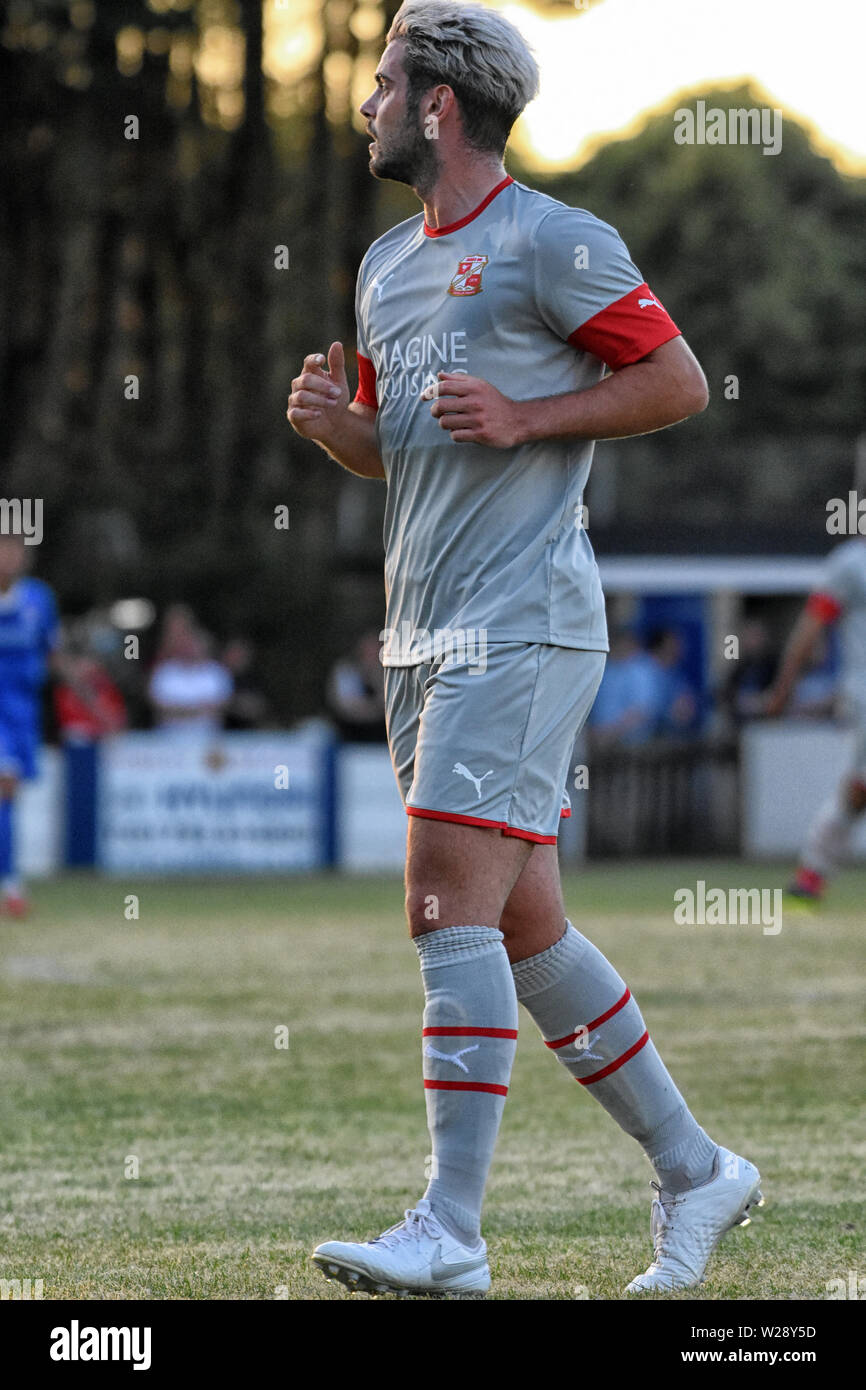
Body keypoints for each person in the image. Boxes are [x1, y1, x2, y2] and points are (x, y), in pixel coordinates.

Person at [288, 0, 760, 1297]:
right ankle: (695, 1167)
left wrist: (531, 411)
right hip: (422, 632)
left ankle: (448, 1228)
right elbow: (415, 452)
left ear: (437, 105)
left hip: (526, 618)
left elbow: (674, 381)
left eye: (384, 83)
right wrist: (340, 429)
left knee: (441, 892)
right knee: (524, 923)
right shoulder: (385, 266)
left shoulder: (555, 240)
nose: (368, 102)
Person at [765, 536, 866, 903]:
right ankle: (811, 875)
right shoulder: (851, 563)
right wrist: (783, 689)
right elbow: (810, 628)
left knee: (857, 790)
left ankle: (811, 874)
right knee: (858, 789)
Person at [0, 533, 60, 917]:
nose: (11, 556)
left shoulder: (39, 598)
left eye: (16, 549)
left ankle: (10, 882)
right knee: (4, 784)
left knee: (10, 795)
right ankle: (12, 886)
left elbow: (51, 655)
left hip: (23, 712)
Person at [325, 630, 387, 742]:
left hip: (379, 732)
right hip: (349, 731)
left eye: (375, 649)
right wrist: (375, 708)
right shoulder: (346, 670)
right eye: (368, 649)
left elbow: (389, 704)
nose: (372, 653)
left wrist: (375, 677)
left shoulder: (384, 673)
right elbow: (348, 707)